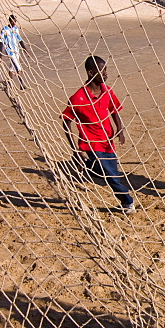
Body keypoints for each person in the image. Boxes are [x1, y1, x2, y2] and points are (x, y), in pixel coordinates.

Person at [61, 56, 135, 213]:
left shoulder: (107, 91)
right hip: (91, 143)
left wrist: (120, 129)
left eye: (106, 69)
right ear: (90, 72)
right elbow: (66, 121)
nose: (106, 74)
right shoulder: (78, 98)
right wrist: (75, 149)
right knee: (110, 176)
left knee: (111, 174)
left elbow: (114, 109)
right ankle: (128, 202)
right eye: (102, 70)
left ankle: (86, 167)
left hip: (107, 141)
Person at [0, 14, 27, 89]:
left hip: (17, 51)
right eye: (13, 21)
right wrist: (0, 53)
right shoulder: (4, 29)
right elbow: (1, 41)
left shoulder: (16, 29)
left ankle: (9, 83)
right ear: (10, 21)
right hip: (10, 51)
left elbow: (19, 39)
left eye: (15, 21)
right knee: (18, 68)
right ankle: (22, 84)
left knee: (11, 67)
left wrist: (24, 49)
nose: (14, 23)